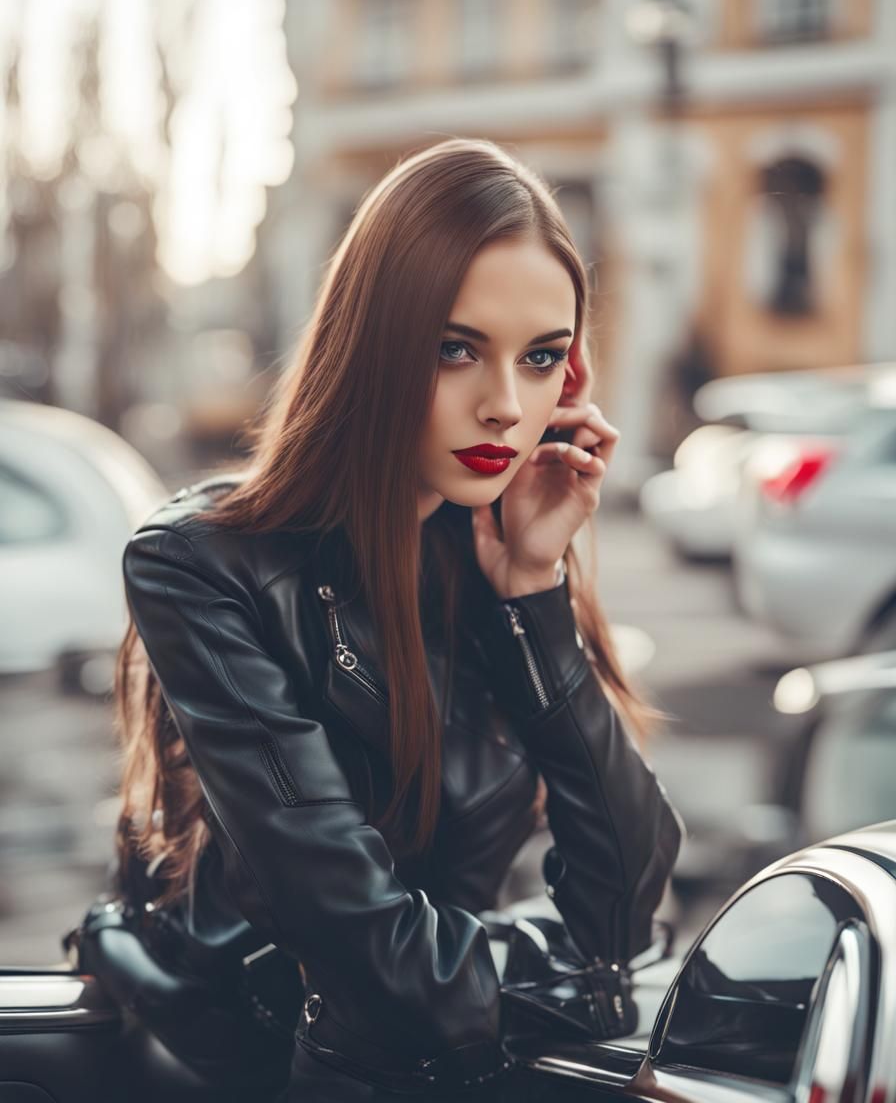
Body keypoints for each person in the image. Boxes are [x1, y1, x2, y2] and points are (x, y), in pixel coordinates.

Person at [113, 137, 683, 1100]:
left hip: (443, 1065)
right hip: (264, 1062)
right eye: (456, 348)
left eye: (541, 358)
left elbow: (624, 897)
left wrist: (534, 593)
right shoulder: (203, 565)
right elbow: (361, 942)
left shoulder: (496, 550)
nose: (505, 406)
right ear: (371, 343)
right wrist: (578, 986)